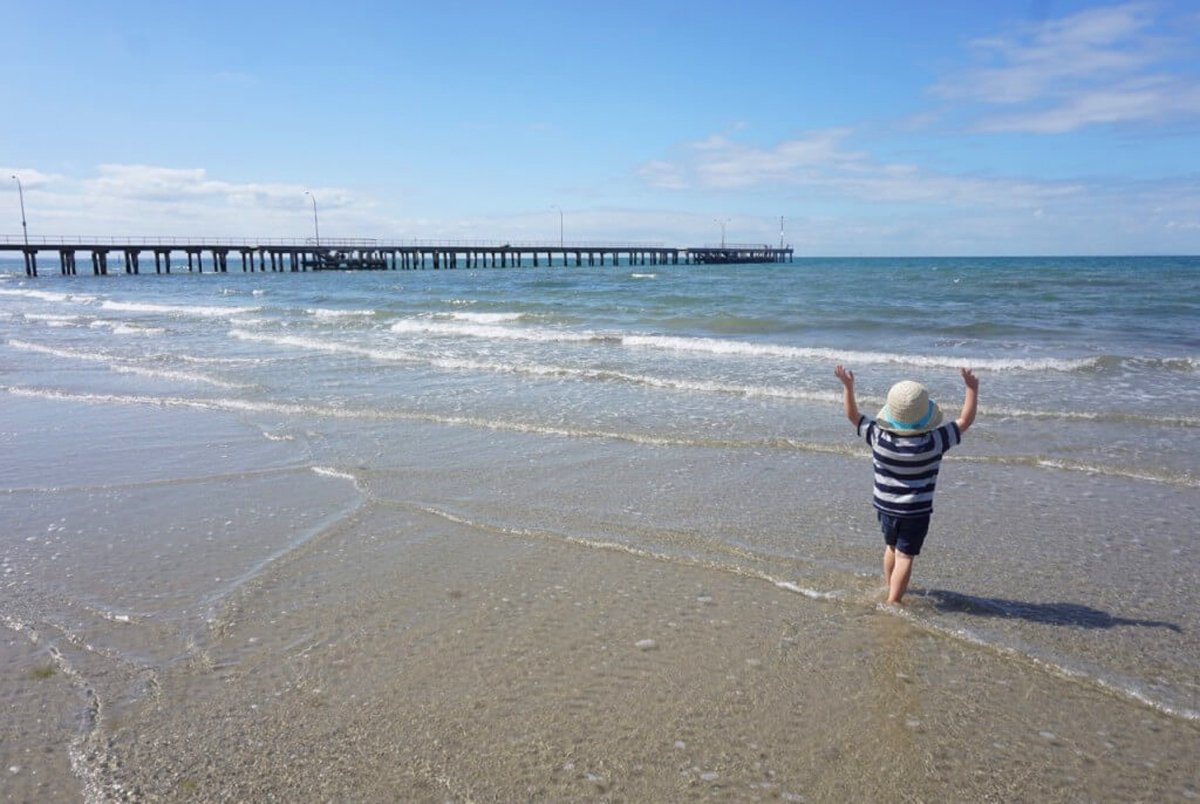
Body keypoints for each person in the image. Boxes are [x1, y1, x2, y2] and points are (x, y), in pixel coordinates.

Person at [834, 365, 979, 604]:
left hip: (884, 507)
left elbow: (853, 416)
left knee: (891, 547)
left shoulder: (878, 437)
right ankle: (893, 602)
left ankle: (889, 586)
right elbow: (965, 420)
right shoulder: (935, 442)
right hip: (915, 512)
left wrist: (848, 387)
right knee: (905, 556)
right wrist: (971, 389)